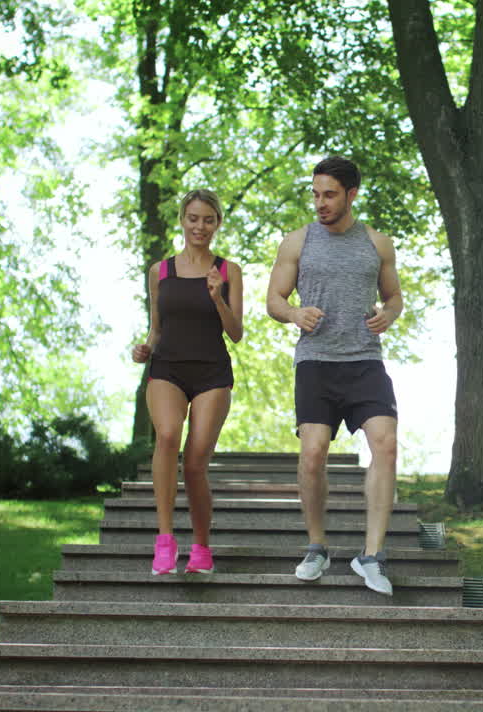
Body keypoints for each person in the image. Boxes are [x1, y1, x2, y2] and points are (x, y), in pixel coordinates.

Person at [266, 156, 402, 595]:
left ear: (351, 195)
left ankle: (372, 556)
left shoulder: (378, 244)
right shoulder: (297, 242)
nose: (320, 203)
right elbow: (274, 299)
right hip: (316, 361)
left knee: (386, 443)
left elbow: (394, 296)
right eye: (316, 194)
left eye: (329, 195)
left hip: (364, 360)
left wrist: (390, 315)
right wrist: (293, 312)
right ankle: (317, 546)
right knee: (313, 454)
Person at [132, 189, 244, 575]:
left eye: (208, 219)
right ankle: (165, 540)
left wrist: (217, 297)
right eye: (193, 218)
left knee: (195, 464)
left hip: (212, 372)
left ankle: (201, 547)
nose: (200, 226)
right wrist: (145, 348)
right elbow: (156, 329)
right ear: (183, 220)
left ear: (217, 224)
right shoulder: (160, 271)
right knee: (166, 436)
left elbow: (236, 332)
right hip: (167, 369)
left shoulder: (228, 271)